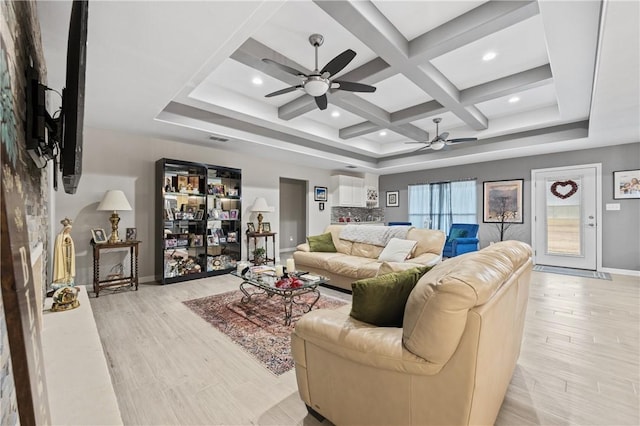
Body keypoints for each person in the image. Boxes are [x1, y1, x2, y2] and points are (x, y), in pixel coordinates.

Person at [52, 218, 76, 289]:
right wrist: (64, 247)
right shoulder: (59, 237)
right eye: (68, 229)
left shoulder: (69, 236)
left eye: (70, 229)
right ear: (65, 229)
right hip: (62, 256)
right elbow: (58, 247)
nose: (69, 230)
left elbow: (71, 245)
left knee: (68, 269)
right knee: (63, 268)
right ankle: (62, 281)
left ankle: (68, 281)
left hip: (69, 256)